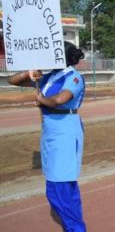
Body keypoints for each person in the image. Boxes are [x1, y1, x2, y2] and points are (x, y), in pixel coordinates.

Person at [8, 42, 86, 231]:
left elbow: (60, 99)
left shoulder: (74, 78)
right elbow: (13, 80)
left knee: (59, 189)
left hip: (65, 131)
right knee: (63, 189)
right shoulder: (49, 77)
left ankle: (76, 229)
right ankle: (74, 228)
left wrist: (43, 100)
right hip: (51, 132)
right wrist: (29, 73)